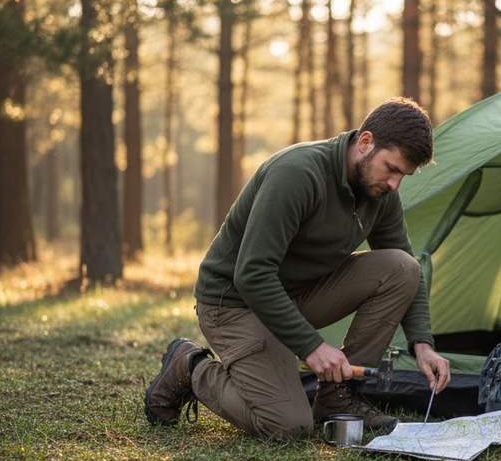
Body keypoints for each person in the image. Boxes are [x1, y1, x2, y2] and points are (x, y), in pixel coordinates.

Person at [144, 97, 451, 439]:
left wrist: (423, 345)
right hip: (233, 303)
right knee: (288, 425)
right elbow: (252, 274)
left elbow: (407, 265)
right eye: (391, 169)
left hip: (296, 296)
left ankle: (339, 398)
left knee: (401, 267)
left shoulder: (380, 194)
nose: (395, 185)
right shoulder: (297, 174)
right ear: (365, 142)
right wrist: (313, 347)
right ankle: (189, 366)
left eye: (403, 176)